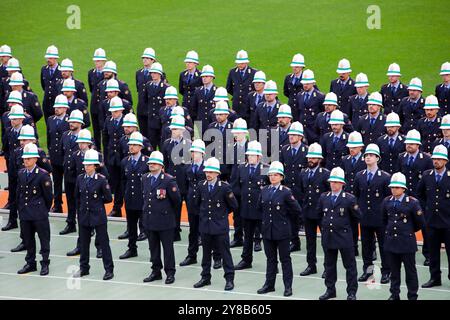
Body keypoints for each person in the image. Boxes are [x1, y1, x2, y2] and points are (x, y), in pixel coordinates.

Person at [256, 161, 301, 297]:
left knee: (285, 260)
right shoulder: (264, 191)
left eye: (276, 175)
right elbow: (259, 208)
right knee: (271, 260)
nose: (273, 177)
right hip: (268, 231)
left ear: (281, 177)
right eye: (271, 175)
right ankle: (269, 284)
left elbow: (297, 210)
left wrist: (286, 222)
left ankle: (288, 286)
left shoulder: (286, 192)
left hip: (282, 232)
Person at [193, 157, 238, 291]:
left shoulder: (224, 188)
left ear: (217, 173)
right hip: (205, 226)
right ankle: (205, 277)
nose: (208, 174)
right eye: (207, 171)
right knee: (206, 254)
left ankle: (229, 279)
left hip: (220, 227)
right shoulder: (201, 186)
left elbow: (233, 205)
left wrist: (222, 215)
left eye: (211, 172)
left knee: (225, 254)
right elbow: (197, 204)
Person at [317, 167, 360, 300]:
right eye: (331, 182)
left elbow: (357, 217)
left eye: (336, 182)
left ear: (342, 184)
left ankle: (351, 292)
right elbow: (319, 215)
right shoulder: (324, 197)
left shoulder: (349, 199)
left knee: (350, 266)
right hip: (328, 236)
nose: (333, 184)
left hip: (344, 237)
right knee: (329, 266)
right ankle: (330, 290)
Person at [382, 172, 425, 300]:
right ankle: (394, 294)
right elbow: (384, 220)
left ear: (403, 188)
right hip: (391, 242)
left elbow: (420, 223)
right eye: (392, 187)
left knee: (410, 272)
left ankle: (412, 295)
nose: (393, 189)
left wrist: (407, 231)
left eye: (396, 187)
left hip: (406, 243)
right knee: (394, 272)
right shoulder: (386, 201)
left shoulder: (412, 203)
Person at [73, 149, 114, 280]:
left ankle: (109, 269)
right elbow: (77, 197)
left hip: (98, 215)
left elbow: (108, 198)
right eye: (85, 164)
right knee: (84, 244)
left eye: (89, 165)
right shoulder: (80, 178)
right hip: (84, 215)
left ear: (95, 165)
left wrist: (96, 202)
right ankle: (84, 268)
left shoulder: (101, 180)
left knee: (104, 243)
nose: (86, 167)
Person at [142, 151, 181, 284]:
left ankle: (170, 273)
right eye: (150, 163)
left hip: (165, 221)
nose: (151, 165)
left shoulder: (169, 180)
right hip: (150, 220)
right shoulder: (145, 178)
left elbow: (177, 200)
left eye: (155, 163)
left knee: (167, 249)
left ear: (161, 165)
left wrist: (168, 214)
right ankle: (156, 271)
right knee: (153, 248)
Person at [16, 143, 53, 276]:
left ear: (36, 159)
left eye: (29, 158)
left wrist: (43, 210)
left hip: (39, 213)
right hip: (25, 213)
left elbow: (49, 197)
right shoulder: (21, 173)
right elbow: (18, 193)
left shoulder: (42, 175)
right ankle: (30, 263)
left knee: (44, 239)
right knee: (28, 240)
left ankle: (45, 263)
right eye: (25, 158)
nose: (26, 160)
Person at [231, 141, 270, 270]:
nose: (250, 157)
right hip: (246, 209)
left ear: (259, 156)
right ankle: (246, 259)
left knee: (267, 237)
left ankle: (271, 262)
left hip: (261, 210)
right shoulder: (242, 168)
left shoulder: (266, 168)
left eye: (253, 155)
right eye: (249, 155)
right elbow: (236, 187)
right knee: (247, 236)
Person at [418, 145, 450, 288]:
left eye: (439, 159)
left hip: (448, 221)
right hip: (431, 220)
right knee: (433, 252)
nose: (436, 161)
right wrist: (426, 210)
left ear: (445, 161)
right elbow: (420, 194)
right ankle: (434, 277)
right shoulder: (426, 175)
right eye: (434, 158)